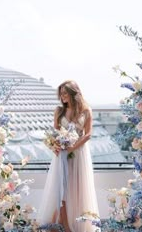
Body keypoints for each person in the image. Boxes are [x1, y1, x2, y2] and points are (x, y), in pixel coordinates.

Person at [38, 80, 100, 232]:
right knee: (62, 189)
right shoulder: (59, 111)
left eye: (65, 93)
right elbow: (54, 133)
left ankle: (79, 224)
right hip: (62, 155)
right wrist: (55, 146)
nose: (62, 96)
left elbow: (88, 134)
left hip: (79, 155)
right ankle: (64, 225)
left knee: (78, 188)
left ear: (73, 93)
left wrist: (73, 147)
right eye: (61, 94)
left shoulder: (86, 111)